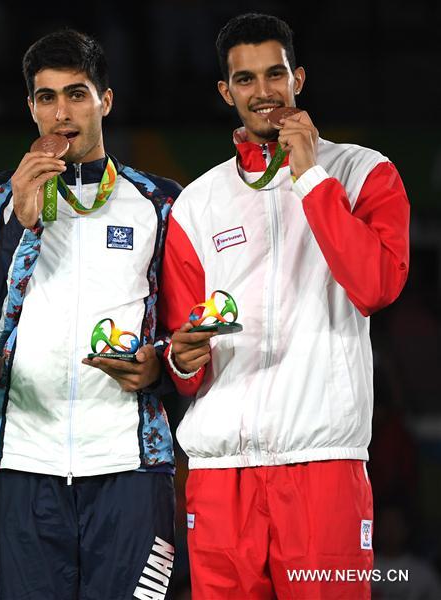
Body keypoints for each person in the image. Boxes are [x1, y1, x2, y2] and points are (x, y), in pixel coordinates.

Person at [161, 13, 410, 599]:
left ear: (298, 77)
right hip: (221, 478)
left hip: (323, 466)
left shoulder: (364, 172)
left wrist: (310, 178)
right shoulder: (197, 203)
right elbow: (183, 350)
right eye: (245, 80)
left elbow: (375, 286)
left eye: (275, 74)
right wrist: (183, 359)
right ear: (226, 92)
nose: (263, 91)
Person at [0, 30, 181, 599]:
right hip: (21, 461)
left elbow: (184, 328)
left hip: (131, 467)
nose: (61, 113)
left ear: (105, 101)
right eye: (47, 98)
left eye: (77, 94)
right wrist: (21, 221)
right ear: (30, 107)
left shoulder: (159, 202)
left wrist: (160, 366)